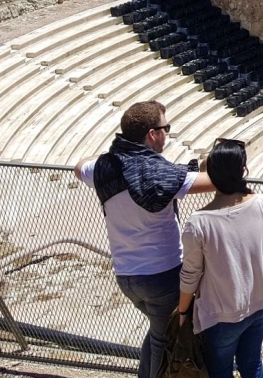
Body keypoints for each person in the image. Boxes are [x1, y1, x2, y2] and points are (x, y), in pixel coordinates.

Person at [74, 101, 214, 378]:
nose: (167, 134)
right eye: (166, 129)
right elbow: (215, 183)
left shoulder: (103, 168)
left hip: (127, 277)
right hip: (162, 275)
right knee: (165, 340)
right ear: (152, 134)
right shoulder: (158, 174)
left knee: (157, 332)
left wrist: (111, 155)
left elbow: (79, 167)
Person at [177, 139, 263, 378]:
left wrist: (182, 312)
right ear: (243, 170)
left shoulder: (198, 223)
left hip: (222, 314)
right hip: (261, 302)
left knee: (220, 371)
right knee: (252, 365)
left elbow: (191, 274)